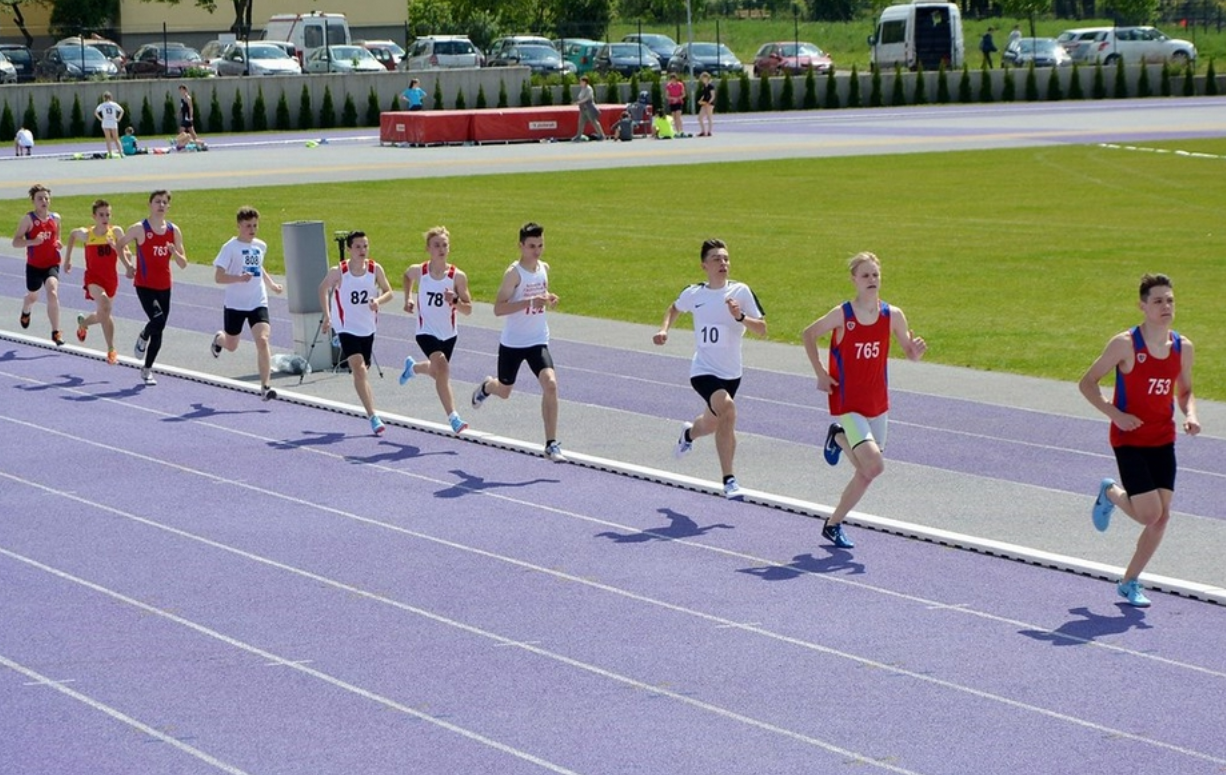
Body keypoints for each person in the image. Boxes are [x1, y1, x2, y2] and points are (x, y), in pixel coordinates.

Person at [1078, 273, 1199, 608]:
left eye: (1170, 300)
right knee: (1149, 515)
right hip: (1129, 438)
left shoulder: (1182, 347)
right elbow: (1087, 383)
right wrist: (1114, 413)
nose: (1166, 306)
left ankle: (1129, 582)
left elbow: (1185, 391)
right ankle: (1111, 493)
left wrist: (1190, 414)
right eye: (1158, 301)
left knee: (1162, 518)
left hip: (1163, 439)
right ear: (1143, 306)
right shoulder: (1125, 344)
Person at [802, 252, 926, 549]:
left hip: (877, 400)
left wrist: (916, 352)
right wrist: (820, 373)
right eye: (865, 275)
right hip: (848, 401)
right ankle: (840, 433)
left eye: (875, 275)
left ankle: (833, 524)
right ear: (854, 280)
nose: (871, 280)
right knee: (875, 465)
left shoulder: (892, 315)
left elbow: (908, 351)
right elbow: (809, 334)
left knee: (867, 471)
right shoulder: (843, 314)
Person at [653, 238, 766, 500]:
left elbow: (762, 330)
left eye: (725, 258)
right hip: (703, 370)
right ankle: (729, 480)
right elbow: (674, 308)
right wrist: (663, 329)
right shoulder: (695, 293)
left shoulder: (741, 292)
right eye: (716, 259)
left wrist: (740, 317)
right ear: (704, 265)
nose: (723, 263)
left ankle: (688, 434)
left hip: (732, 374)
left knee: (711, 424)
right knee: (728, 409)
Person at [470, 222, 565, 462]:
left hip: (537, 340)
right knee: (504, 391)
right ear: (521, 246)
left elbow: (538, 296)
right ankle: (486, 387)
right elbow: (498, 309)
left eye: (541, 245)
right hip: (513, 343)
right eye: (532, 246)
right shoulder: (513, 273)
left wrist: (547, 299)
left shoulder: (543, 268)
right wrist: (530, 303)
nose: (537, 250)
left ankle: (551, 443)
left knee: (551, 384)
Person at [318, 231, 394, 435]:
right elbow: (322, 289)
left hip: (367, 327)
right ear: (349, 249)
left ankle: (370, 408)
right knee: (359, 368)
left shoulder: (374, 269)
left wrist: (378, 301)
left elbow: (389, 291)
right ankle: (373, 416)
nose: (362, 250)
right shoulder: (339, 271)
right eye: (358, 247)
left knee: (364, 370)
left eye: (365, 246)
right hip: (346, 326)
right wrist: (327, 316)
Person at [399, 225, 472, 434]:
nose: (441, 249)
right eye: (436, 245)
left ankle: (412, 368)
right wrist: (408, 298)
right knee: (443, 368)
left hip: (449, 334)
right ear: (428, 249)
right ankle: (454, 417)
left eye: (444, 245)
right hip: (425, 331)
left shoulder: (457, 276)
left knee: (436, 371)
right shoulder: (420, 271)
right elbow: (406, 276)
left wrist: (455, 300)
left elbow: (468, 309)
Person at [210, 206, 284, 401]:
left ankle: (265, 386)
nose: (252, 230)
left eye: (254, 226)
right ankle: (219, 339)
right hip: (235, 304)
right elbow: (218, 277)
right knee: (232, 345)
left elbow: (257, 267)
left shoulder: (260, 246)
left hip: (257, 301)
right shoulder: (230, 248)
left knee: (263, 340)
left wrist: (271, 285)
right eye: (247, 226)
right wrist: (238, 278)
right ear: (238, 226)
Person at [118, 189, 188, 386]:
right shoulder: (140, 228)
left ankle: (147, 369)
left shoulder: (174, 231)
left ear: (169, 206)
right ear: (150, 204)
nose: (161, 205)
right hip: (144, 285)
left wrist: (175, 253)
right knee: (157, 320)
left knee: (160, 328)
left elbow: (183, 264)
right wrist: (128, 266)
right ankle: (143, 335)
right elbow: (120, 244)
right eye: (157, 202)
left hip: (164, 286)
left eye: (165, 202)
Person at [63, 199, 133, 365]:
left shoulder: (116, 232)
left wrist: (115, 246)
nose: (105, 218)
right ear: (94, 216)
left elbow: (128, 255)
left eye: (107, 214)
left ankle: (84, 323)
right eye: (101, 215)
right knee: (106, 306)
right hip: (93, 278)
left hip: (111, 279)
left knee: (104, 313)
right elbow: (72, 234)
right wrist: (67, 260)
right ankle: (111, 349)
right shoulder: (88, 234)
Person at [11, 184, 64, 345]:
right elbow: (15, 242)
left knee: (52, 292)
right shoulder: (28, 220)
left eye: (46, 198)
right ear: (33, 201)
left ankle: (55, 332)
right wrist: (34, 241)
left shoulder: (56, 218)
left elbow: (57, 236)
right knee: (33, 296)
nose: (44, 201)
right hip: (34, 266)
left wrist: (59, 243)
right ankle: (26, 309)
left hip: (51, 263)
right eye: (40, 198)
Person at [573, 75, 606, 142]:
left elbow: (588, 97)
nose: (580, 83)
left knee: (594, 122)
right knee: (581, 122)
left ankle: (601, 135)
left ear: (585, 82)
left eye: (581, 81)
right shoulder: (582, 89)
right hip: (583, 109)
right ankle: (578, 136)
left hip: (589, 108)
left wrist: (579, 102)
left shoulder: (589, 88)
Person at [95, 91, 124, 159]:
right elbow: (122, 110)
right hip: (113, 122)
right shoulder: (114, 104)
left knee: (108, 139)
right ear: (110, 97)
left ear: (104, 98)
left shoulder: (102, 105)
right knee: (116, 138)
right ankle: (121, 153)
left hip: (105, 122)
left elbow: (96, 112)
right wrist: (118, 119)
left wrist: (101, 119)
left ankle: (110, 154)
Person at [696, 71, 715, 137]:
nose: (703, 79)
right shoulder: (704, 86)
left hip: (709, 104)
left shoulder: (711, 86)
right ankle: (703, 131)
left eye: (704, 78)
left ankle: (709, 132)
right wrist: (700, 100)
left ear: (707, 78)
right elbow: (704, 95)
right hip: (704, 103)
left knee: (709, 117)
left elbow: (713, 96)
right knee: (700, 118)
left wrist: (709, 103)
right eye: (702, 78)